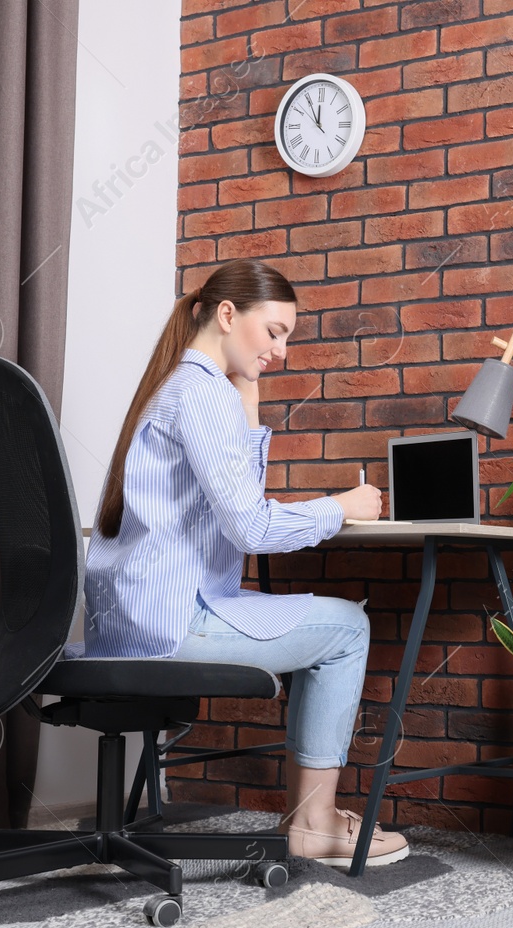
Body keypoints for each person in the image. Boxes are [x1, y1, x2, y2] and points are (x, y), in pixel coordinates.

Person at [81, 258, 407, 867]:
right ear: (227, 315)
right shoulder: (200, 393)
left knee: (316, 619)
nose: (282, 352)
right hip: (174, 626)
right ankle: (312, 821)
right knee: (346, 629)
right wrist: (340, 507)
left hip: (134, 623)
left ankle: (311, 816)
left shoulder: (181, 385)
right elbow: (251, 527)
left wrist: (248, 387)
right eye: (275, 332)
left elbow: (239, 496)